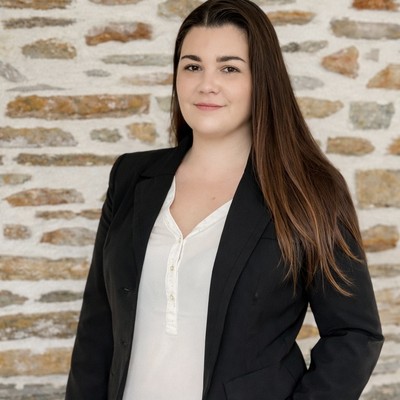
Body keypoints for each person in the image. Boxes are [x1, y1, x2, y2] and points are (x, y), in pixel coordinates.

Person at [65, 0, 384, 399]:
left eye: (229, 68)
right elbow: (96, 328)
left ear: (261, 79)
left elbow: (354, 334)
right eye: (192, 66)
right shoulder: (131, 176)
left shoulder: (309, 190)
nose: (206, 84)